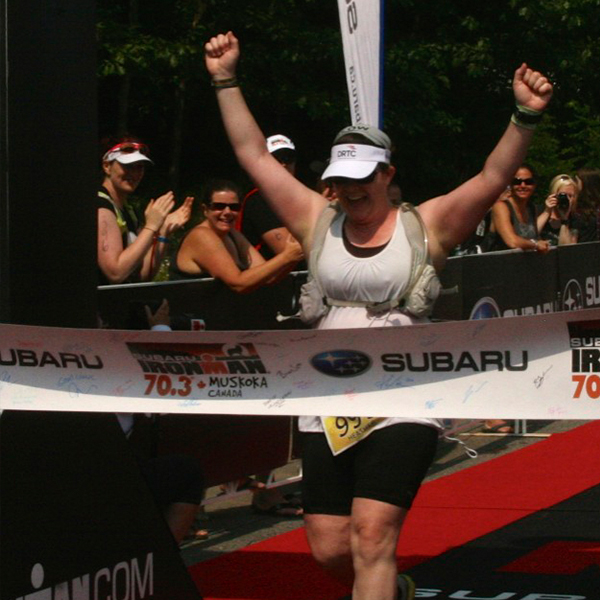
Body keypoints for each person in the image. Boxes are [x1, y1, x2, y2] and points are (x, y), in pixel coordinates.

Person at [204, 31, 552, 600]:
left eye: (364, 177)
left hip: (405, 394)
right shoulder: (317, 220)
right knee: (330, 547)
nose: (351, 190)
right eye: (342, 179)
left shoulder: (428, 225)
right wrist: (225, 79)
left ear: (387, 174)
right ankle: (397, 590)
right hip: (331, 395)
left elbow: (492, 178)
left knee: (372, 537)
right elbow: (252, 156)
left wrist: (524, 116)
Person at [169, 178, 303, 292]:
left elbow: (267, 277)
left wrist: (295, 256)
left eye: (234, 207)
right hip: (191, 316)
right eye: (219, 206)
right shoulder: (202, 236)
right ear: (205, 210)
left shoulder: (233, 235)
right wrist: (286, 257)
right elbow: (238, 283)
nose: (227, 212)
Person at [97, 135, 193, 285]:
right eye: (127, 166)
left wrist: (162, 231)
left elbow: (142, 275)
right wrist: (151, 227)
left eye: (139, 167)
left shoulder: (129, 210)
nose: (134, 173)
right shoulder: (101, 207)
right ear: (107, 166)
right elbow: (115, 273)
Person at [237, 134, 304, 268]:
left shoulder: (299, 195)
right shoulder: (259, 199)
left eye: (288, 158)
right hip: (266, 282)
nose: (284, 164)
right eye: (277, 158)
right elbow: (289, 252)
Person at [488, 164, 550, 253]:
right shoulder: (501, 207)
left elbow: (534, 237)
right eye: (517, 182)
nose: (523, 185)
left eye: (528, 182)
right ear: (510, 184)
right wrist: (536, 245)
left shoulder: (531, 208)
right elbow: (512, 241)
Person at [540, 174, 582, 246]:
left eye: (570, 196)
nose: (567, 199)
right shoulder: (538, 211)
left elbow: (566, 249)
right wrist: (547, 211)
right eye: (563, 195)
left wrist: (564, 220)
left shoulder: (575, 220)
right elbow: (529, 237)